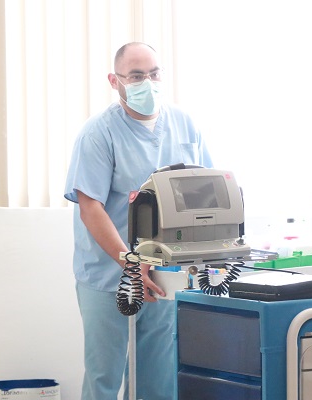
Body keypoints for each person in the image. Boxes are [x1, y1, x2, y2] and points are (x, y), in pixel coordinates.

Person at [64, 42, 213, 400]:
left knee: (158, 379)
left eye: (154, 73)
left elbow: (205, 190)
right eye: (135, 76)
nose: (147, 82)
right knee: (104, 377)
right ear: (114, 81)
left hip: (165, 273)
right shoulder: (98, 133)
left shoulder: (184, 124)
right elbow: (90, 208)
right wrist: (131, 265)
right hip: (108, 275)